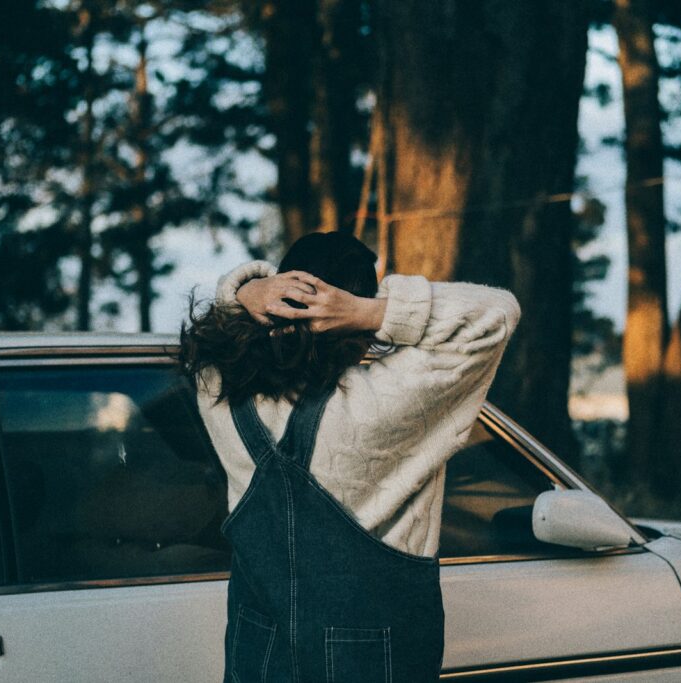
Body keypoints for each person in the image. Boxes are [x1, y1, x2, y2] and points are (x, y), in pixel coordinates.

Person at [180, 232, 520, 683]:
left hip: (257, 660)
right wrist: (371, 312)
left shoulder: (218, 389)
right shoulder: (385, 400)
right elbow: (496, 314)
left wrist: (245, 291)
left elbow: (210, 331)